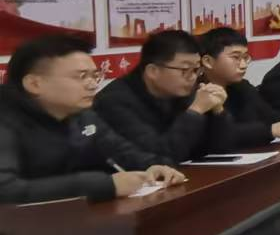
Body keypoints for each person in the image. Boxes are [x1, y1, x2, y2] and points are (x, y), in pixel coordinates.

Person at [0, 35, 185, 203]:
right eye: (81, 76)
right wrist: (103, 184)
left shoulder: (82, 115)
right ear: (34, 84)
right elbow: (6, 190)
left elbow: (123, 153)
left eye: (95, 76)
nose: (92, 85)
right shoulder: (5, 120)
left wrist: (154, 168)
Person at [95, 29, 237, 162]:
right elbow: (160, 156)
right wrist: (195, 111)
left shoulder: (183, 90)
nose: (193, 77)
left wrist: (218, 112)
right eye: (185, 69)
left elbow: (220, 150)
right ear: (153, 71)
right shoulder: (114, 101)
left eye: (196, 69)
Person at [197, 27, 280, 149]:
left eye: (245, 57)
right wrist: (271, 130)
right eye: (236, 57)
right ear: (208, 61)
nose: (243, 65)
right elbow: (220, 136)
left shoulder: (242, 87)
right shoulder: (197, 92)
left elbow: (269, 115)